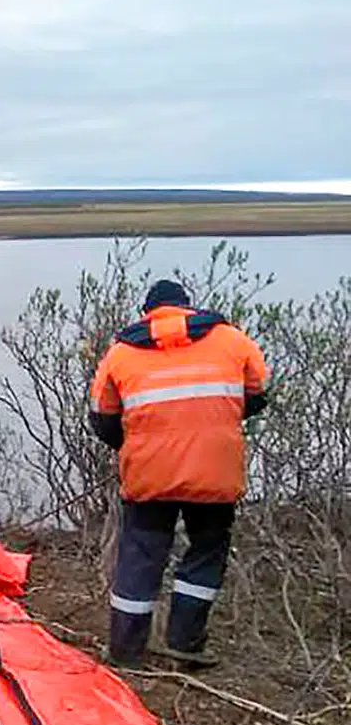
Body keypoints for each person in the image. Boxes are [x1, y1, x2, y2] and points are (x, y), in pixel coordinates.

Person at [89, 278, 269, 669]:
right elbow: (257, 395)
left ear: (147, 313)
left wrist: (139, 442)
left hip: (150, 475)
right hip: (214, 472)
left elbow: (103, 421)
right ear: (189, 307)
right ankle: (185, 644)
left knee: (141, 556)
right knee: (206, 551)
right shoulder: (231, 340)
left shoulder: (121, 353)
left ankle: (125, 653)